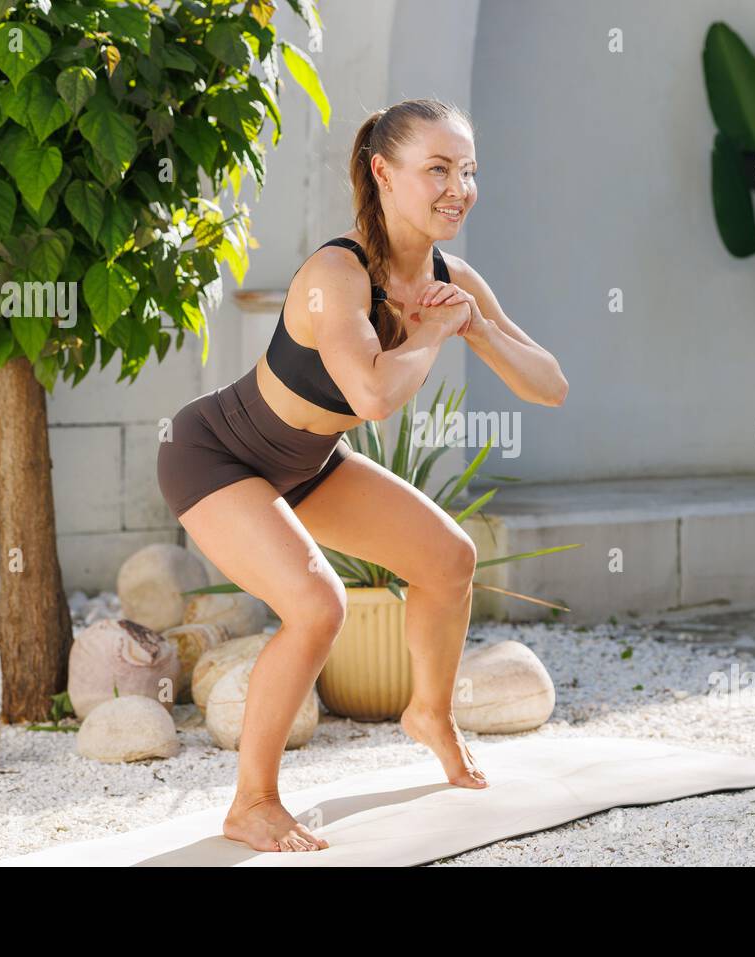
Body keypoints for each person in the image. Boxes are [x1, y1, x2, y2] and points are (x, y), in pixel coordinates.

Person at [156, 98, 568, 852]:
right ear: (383, 171)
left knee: (449, 559)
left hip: (308, 463)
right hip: (217, 455)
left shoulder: (454, 278)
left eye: (468, 170)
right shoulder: (335, 274)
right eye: (437, 169)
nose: (459, 188)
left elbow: (549, 384)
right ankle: (251, 801)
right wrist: (438, 330)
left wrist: (473, 323)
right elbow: (372, 395)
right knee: (318, 604)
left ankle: (430, 712)